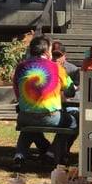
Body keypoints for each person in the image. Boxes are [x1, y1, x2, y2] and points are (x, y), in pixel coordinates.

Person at [13, 35, 77, 168]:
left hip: (24, 117)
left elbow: (18, 93)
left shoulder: (20, 67)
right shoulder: (56, 67)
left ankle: (20, 156)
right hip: (51, 117)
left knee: (29, 126)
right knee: (73, 121)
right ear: (47, 51)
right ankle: (51, 152)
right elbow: (71, 91)